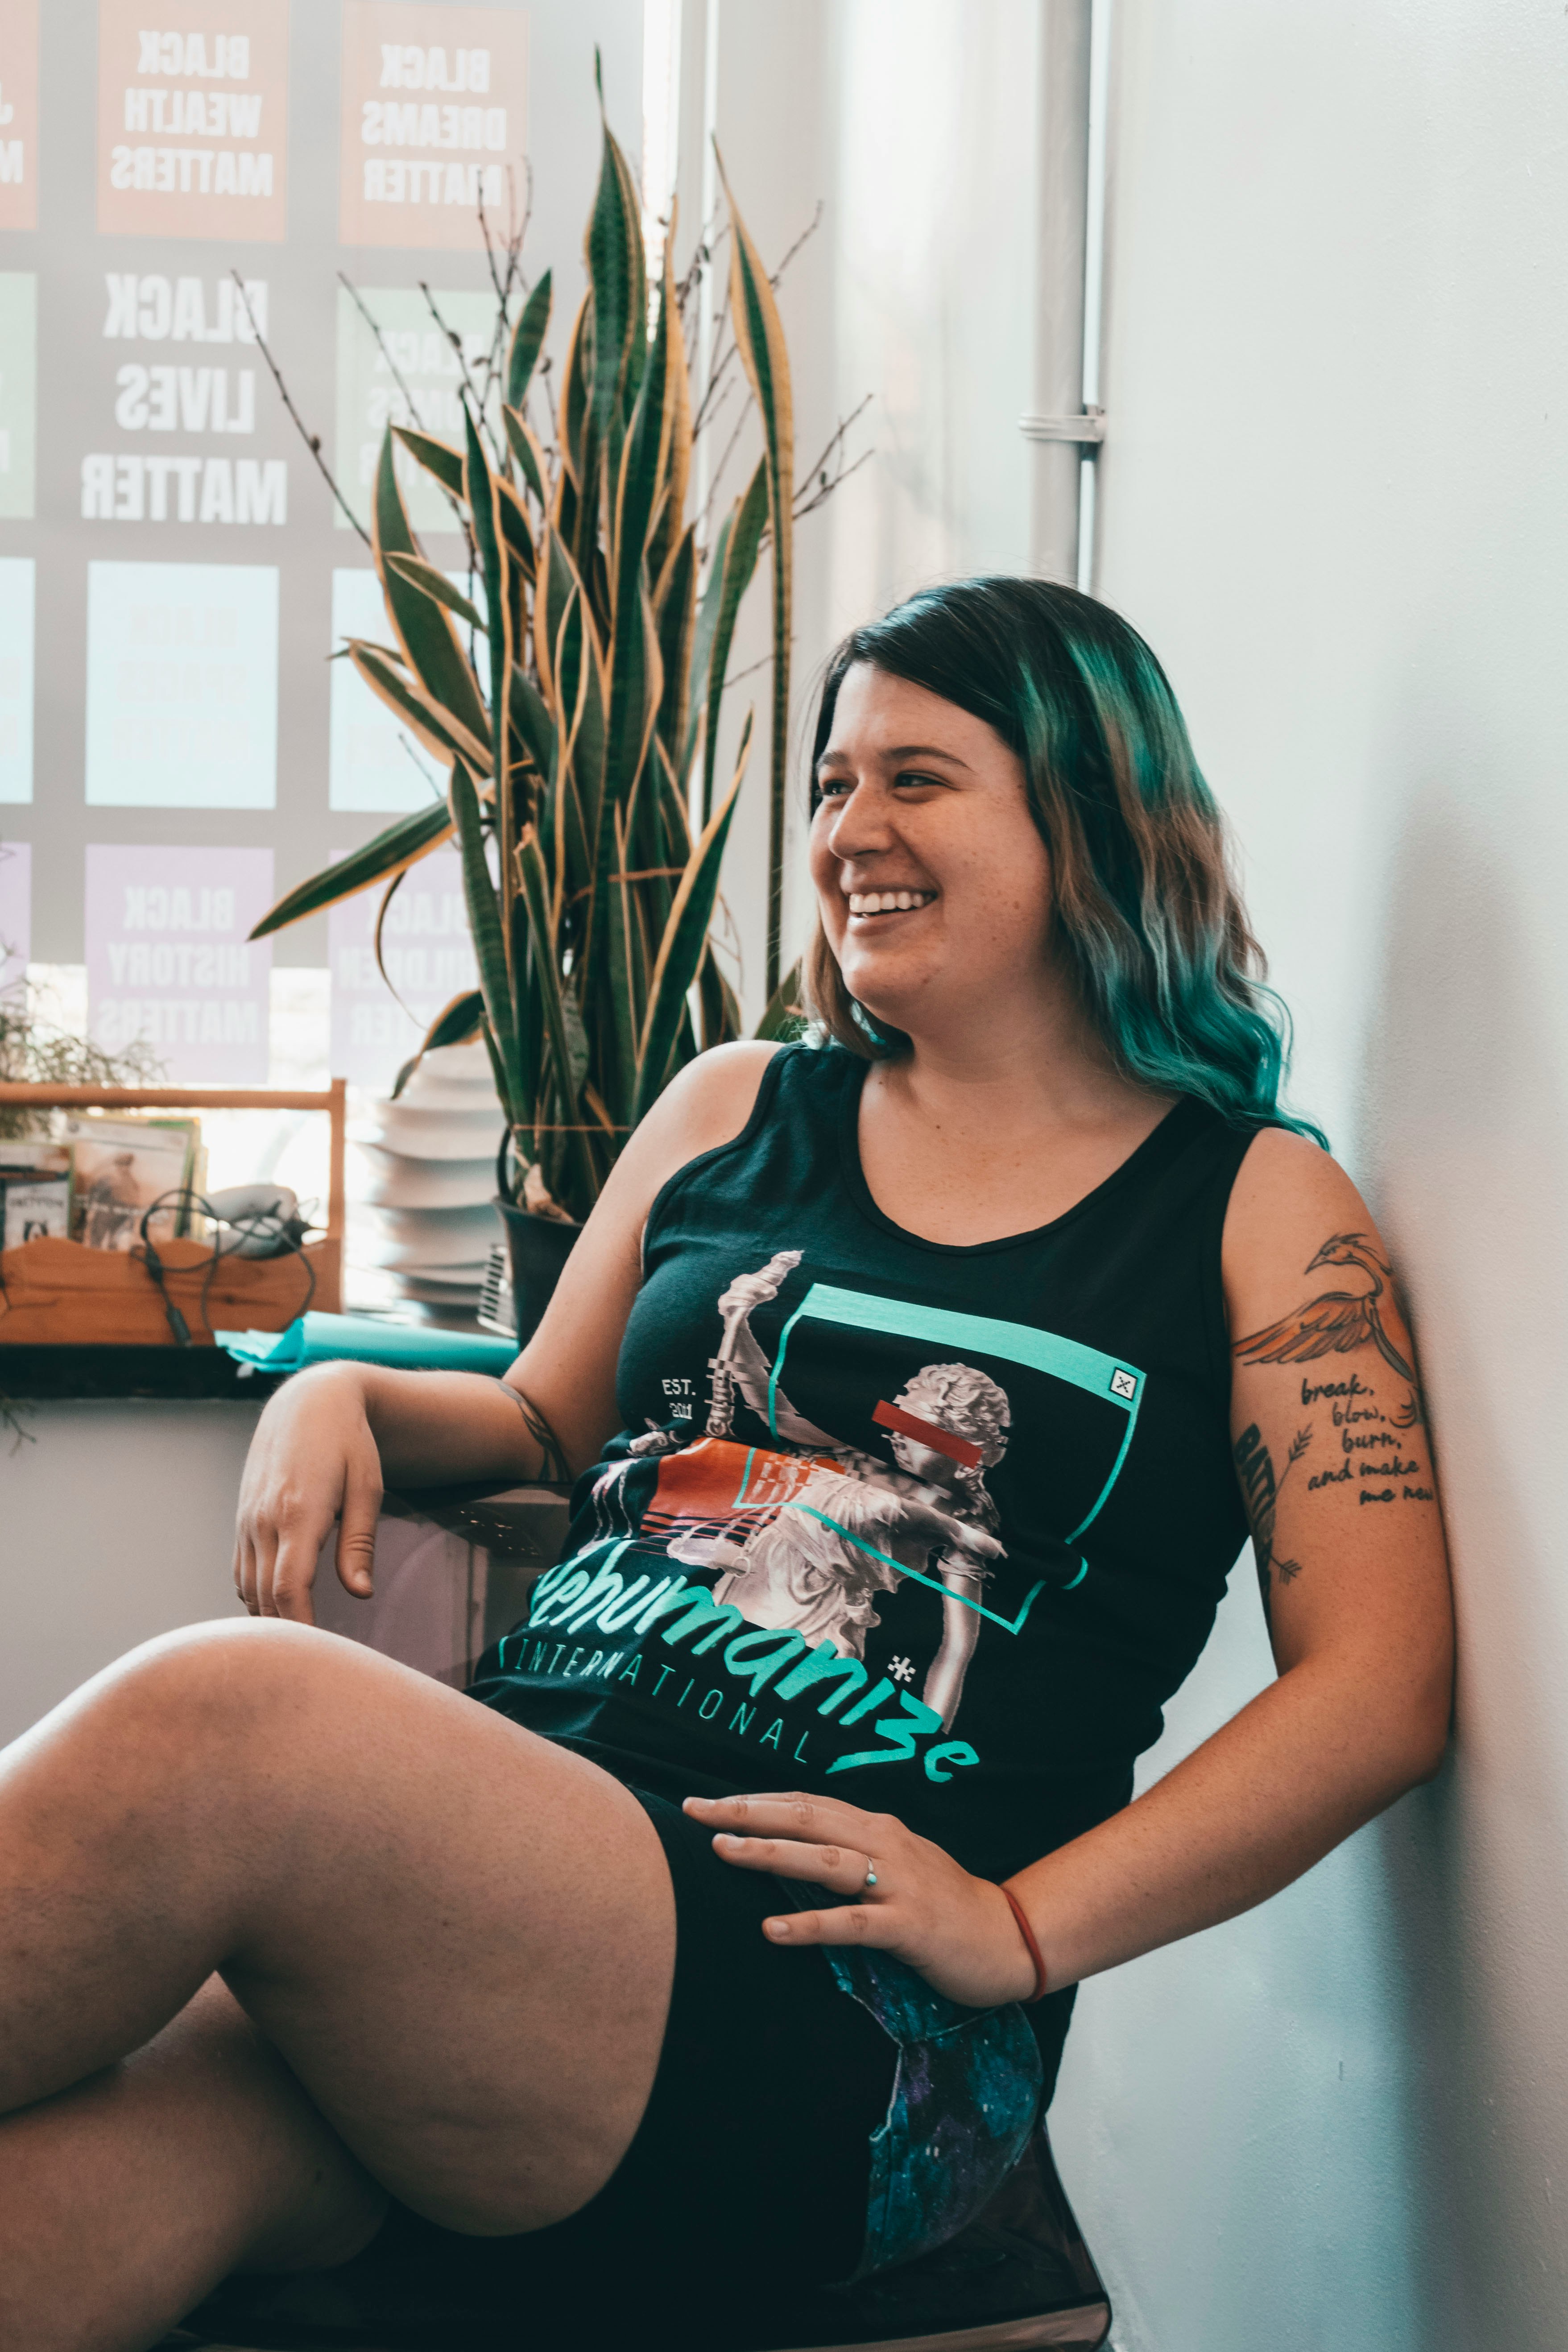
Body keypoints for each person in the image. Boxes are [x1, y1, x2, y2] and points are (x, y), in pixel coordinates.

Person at [0, 577, 1453, 2351]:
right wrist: (348, 1395)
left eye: (919, 777)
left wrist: (1020, 1921)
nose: (851, 832)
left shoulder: (1253, 1207)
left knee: (228, 1724)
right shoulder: (731, 1107)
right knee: (73, 2187)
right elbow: (544, 1420)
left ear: (1091, 812)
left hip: (818, 1999)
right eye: (834, 785)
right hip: (513, 1894)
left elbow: (1381, 1684)